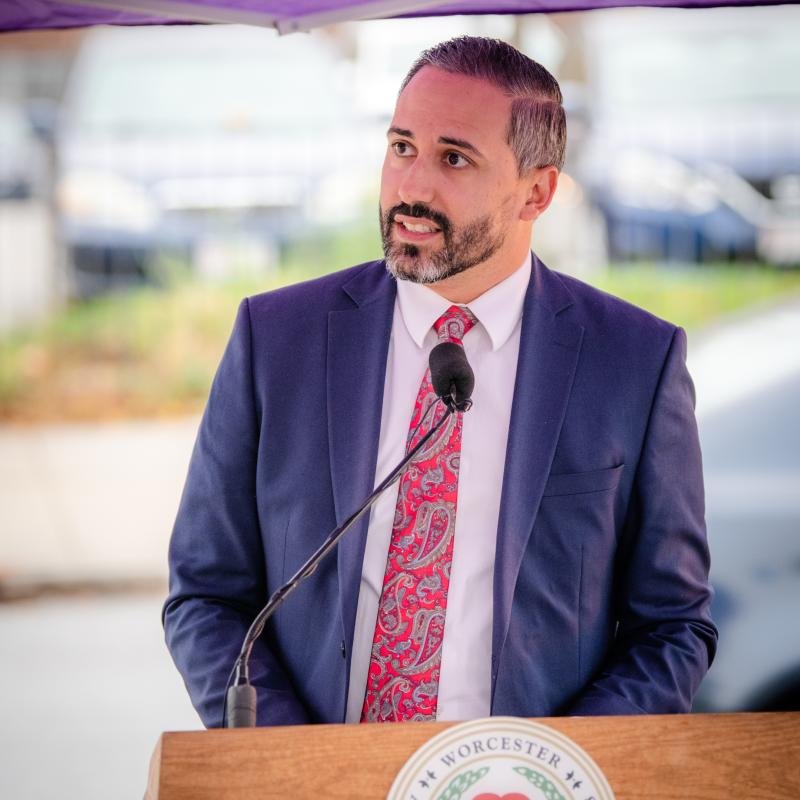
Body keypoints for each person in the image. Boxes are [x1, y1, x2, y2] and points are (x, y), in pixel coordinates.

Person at [164, 36, 717, 727]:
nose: (412, 188)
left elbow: (672, 626)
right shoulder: (276, 340)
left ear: (535, 193)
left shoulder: (636, 361)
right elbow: (207, 594)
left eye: (454, 157)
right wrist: (297, 765)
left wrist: (553, 770)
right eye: (401, 148)